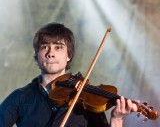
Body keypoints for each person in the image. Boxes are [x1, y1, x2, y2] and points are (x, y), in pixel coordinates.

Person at [0, 23, 139, 127]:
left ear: (69, 56)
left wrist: (117, 119)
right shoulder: (20, 97)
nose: (50, 53)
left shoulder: (87, 100)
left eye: (58, 47)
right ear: (37, 56)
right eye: (44, 47)